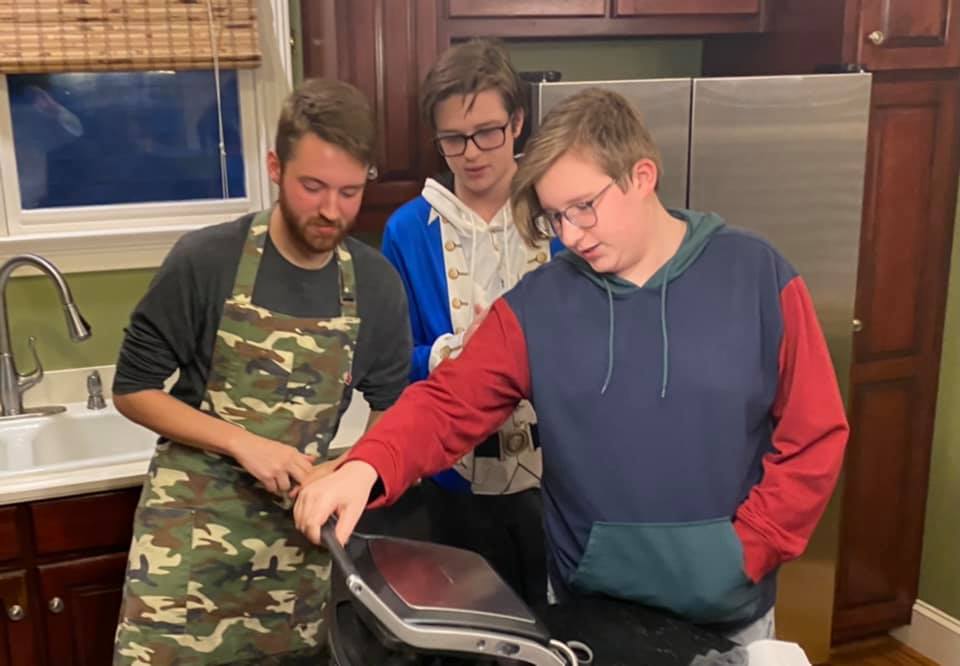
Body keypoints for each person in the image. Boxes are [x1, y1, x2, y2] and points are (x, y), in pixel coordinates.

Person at [293, 87, 849, 645]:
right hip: (589, 606)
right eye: (555, 216)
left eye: (584, 207)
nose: (570, 235)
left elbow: (814, 433)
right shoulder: (537, 304)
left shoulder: (757, 276)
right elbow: (447, 403)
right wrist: (367, 466)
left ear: (642, 176)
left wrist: (754, 545)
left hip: (733, 608)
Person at [111, 78, 411, 665]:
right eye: (313, 186)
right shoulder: (206, 261)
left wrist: (346, 469)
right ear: (276, 167)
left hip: (296, 547)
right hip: (188, 542)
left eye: (350, 191)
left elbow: (394, 412)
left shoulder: (375, 286)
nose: (331, 210)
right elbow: (134, 390)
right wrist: (246, 444)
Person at [380, 38, 561, 604]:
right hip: (451, 483)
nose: (473, 153)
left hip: (560, 480)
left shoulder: (559, 215)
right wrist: (442, 356)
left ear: (517, 122)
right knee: (474, 630)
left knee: (559, 630)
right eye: (453, 139)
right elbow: (386, 365)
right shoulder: (408, 232)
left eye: (488, 131)